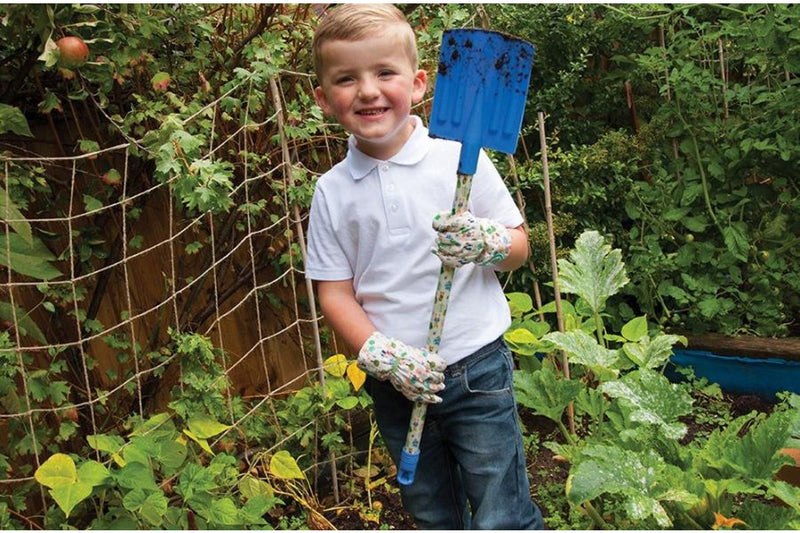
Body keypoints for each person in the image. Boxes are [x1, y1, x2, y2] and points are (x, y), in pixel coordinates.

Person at [305, 4, 544, 530]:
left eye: (384, 72)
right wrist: (380, 355)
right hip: (396, 383)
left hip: (477, 368)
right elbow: (334, 293)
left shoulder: (460, 158)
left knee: (500, 507)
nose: (368, 91)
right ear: (323, 98)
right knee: (430, 508)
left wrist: (487, 242)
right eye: (346, 78)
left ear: (417, 84)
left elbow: (520, 247)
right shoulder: (331, 192)